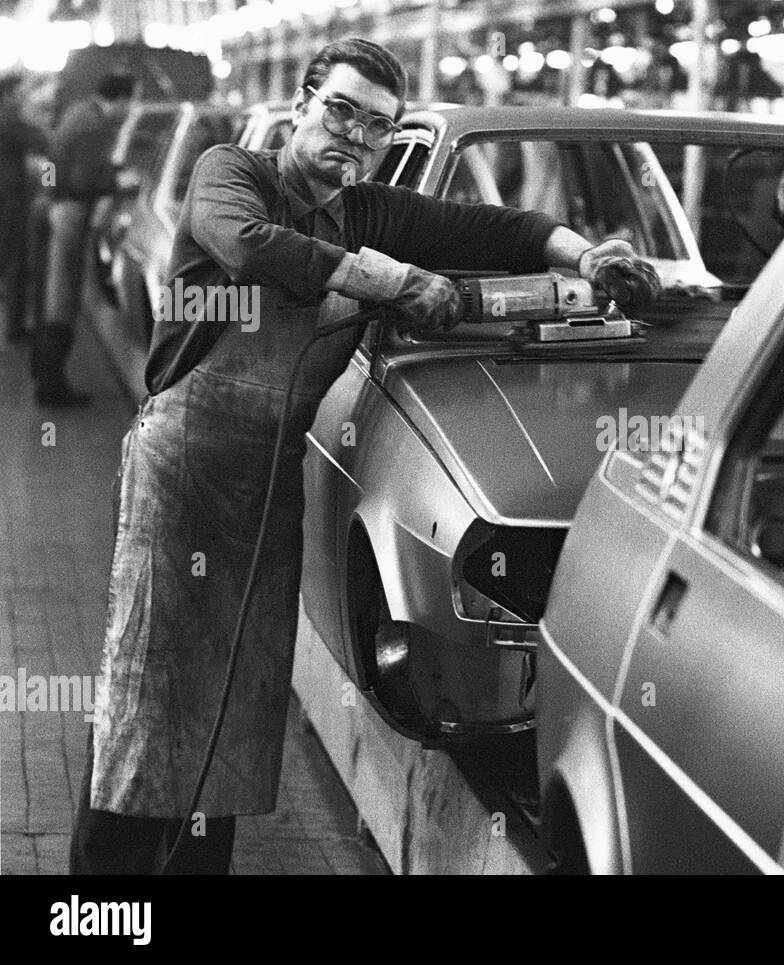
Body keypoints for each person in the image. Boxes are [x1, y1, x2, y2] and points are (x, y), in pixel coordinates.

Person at [69, 37, 660, 875]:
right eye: (342, 109)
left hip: (265, 483)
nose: (354, 136)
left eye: (377, 127)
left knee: (237, 706)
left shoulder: (366, 208)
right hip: (185, 470)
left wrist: (584, 253)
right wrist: (389, 281)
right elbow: (248, 245)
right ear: (306, 101)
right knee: (147, 696)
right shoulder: (229, 171)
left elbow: (496, 227)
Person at [31, 72, 136, 406]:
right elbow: (82, 179)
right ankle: (51, 387)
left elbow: (55, 160)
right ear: (119, 98)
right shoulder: (95, 126)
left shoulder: (79, 113)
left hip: (56, 209)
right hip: (70, 214)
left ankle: (43, 372)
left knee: (51, 293)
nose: (129, 108)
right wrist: (117, 183)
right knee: (62, 297)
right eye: (130, 100)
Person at [0, 74, 47, 343]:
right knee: (14, 263)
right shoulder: (8, 118)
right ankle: (13, 331)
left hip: (10, 198)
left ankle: (14, 328)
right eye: (22, 92)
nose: (25, 97)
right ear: (9, 94)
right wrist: (50, 185)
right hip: (10, 201)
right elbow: (47, 145)